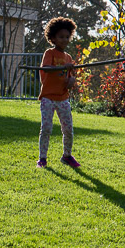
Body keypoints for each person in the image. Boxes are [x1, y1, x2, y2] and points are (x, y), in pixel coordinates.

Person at [37, 17, 80, 169]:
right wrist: (63, 68)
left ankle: (67, 156)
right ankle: (42, 158)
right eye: (61, 37)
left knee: (68, 129)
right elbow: (46, 69)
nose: (64, 39)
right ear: (53, 38)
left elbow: (68, 81)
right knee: (47, 128)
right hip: (48, 97)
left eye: (67, 37)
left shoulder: (68, 57)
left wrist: (71, 81)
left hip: (63, 99)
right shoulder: (49, 53)